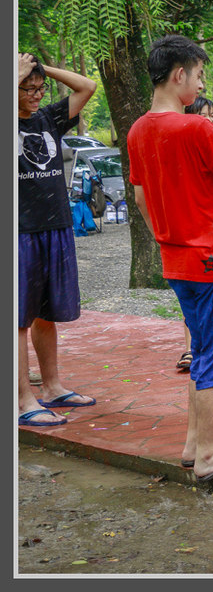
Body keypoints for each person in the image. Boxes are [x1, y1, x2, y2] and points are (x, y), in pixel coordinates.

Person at [127, 34, 213, 482]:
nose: (201, 85)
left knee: (202, 348)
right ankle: (208, 455)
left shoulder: (137, 130)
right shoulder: (197, 128)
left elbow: (142, 197)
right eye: (200, 75)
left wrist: (168, 237)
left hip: (178, 259)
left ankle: (194, 443)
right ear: (179, 74)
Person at [18, 52, 98, 427]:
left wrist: (38, 67)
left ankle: (52, 387)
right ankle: (22, 399)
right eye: (27, 88)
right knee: (17, 319)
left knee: (45, 314)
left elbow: (87, 86)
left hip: (55, 227)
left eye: (39, 88)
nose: (36, 94)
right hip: (19, 231)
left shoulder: (47, 118)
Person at [175, 96, 213, 371]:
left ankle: (205, 347)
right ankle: (191, 348)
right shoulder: (187, 144)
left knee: (211, 294)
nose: (210, 119)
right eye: (204, 114)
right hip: (193, 231)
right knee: (192, 293)